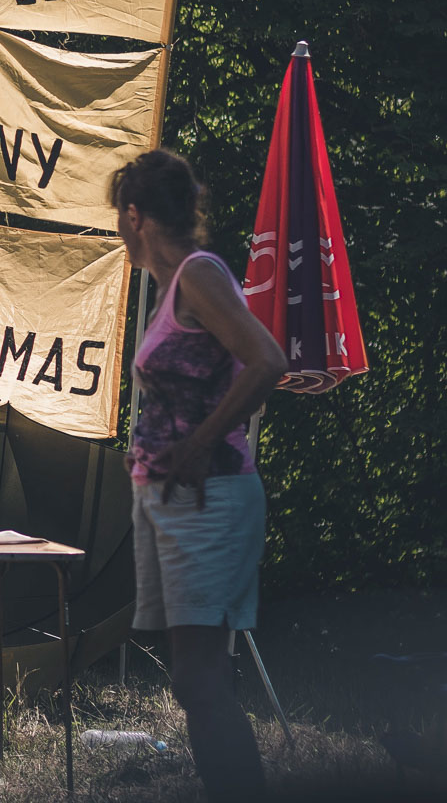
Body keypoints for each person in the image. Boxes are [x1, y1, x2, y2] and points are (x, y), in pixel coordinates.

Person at [111, 149, 287, 799]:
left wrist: (194, 447)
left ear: (136, 216)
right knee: (193, 678)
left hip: (208, 496)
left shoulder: (199, 274)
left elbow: (267, 361)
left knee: (199, 679)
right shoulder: (171, 286)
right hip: (171, 502)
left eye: (119, 221)